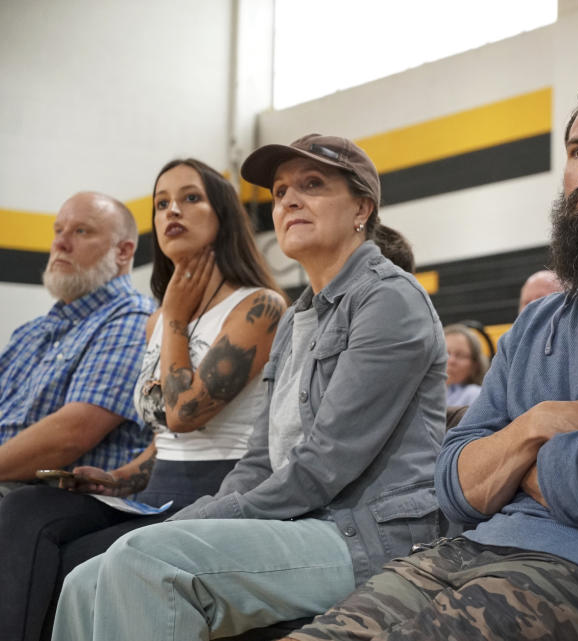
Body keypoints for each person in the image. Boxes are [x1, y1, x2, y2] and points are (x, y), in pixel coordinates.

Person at [268, 79, 578, 641]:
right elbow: (453, 483)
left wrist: (503, 461)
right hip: (466, 550)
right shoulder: (536, 322)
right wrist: (539, 424)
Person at [52, 134, 448, 641]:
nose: (289, 201)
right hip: (301, 522)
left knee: (145, 559)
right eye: (281, 192)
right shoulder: (296, 318)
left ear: (362, 209)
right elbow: (259, 461)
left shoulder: (389, 300)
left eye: (312, 185)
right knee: (84, 580)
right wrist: (200, 516)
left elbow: (324, 465)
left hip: (368, 537)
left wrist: (200, 520)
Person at [0, 158, 286, 641]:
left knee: (75, 562)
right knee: (26, 507)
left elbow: (184, 413)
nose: (173, 210)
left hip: (218, 492)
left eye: (190, 198)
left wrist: (174, 318)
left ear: (222, 215)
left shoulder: (258, 306)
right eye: (161, 203)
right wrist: (114, 478)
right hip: (155, 494)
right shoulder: (157, 321)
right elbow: (162, 440)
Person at [0, 192, 154, 497]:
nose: (60, 243)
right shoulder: (30, 332)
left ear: (123, 252)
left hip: (51, 500)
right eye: (58, 231)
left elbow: (71, 435)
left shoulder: (134, 318)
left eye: (81, 231)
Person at [443, 323, 489, 406]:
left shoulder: (474, 394)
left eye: (460, 355)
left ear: (475, 365)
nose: (451, 360)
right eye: (445, 353)